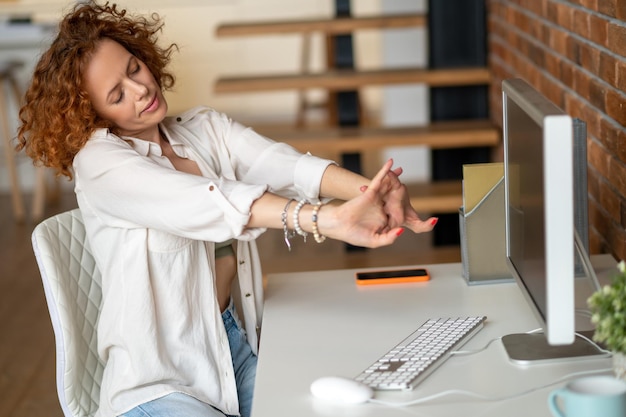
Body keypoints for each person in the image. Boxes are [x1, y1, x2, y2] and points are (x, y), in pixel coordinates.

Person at [17, 2, 437, 416]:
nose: (141, 89)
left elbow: (286, 164)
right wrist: (325, 219)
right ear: (94, 115)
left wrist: (373, 193)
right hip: (158, 383)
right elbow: (207, 200)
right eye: (117, 94)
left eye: (133, 69)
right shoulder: (100, 164)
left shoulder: (203, 129)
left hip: (231, 348)